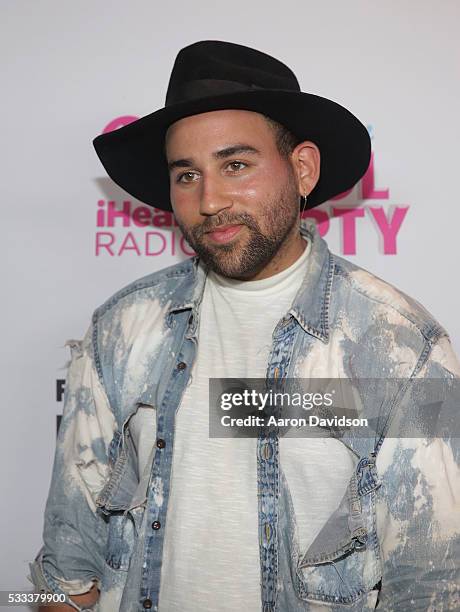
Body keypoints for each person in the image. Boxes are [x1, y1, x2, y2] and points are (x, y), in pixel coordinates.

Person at [29, 40, 460, 612]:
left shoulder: (401, 346)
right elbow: (67, 570)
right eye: (186, 175)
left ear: (302, 168)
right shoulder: (122, 329)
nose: (209, 201)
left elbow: (432, 589)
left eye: (236, 165)